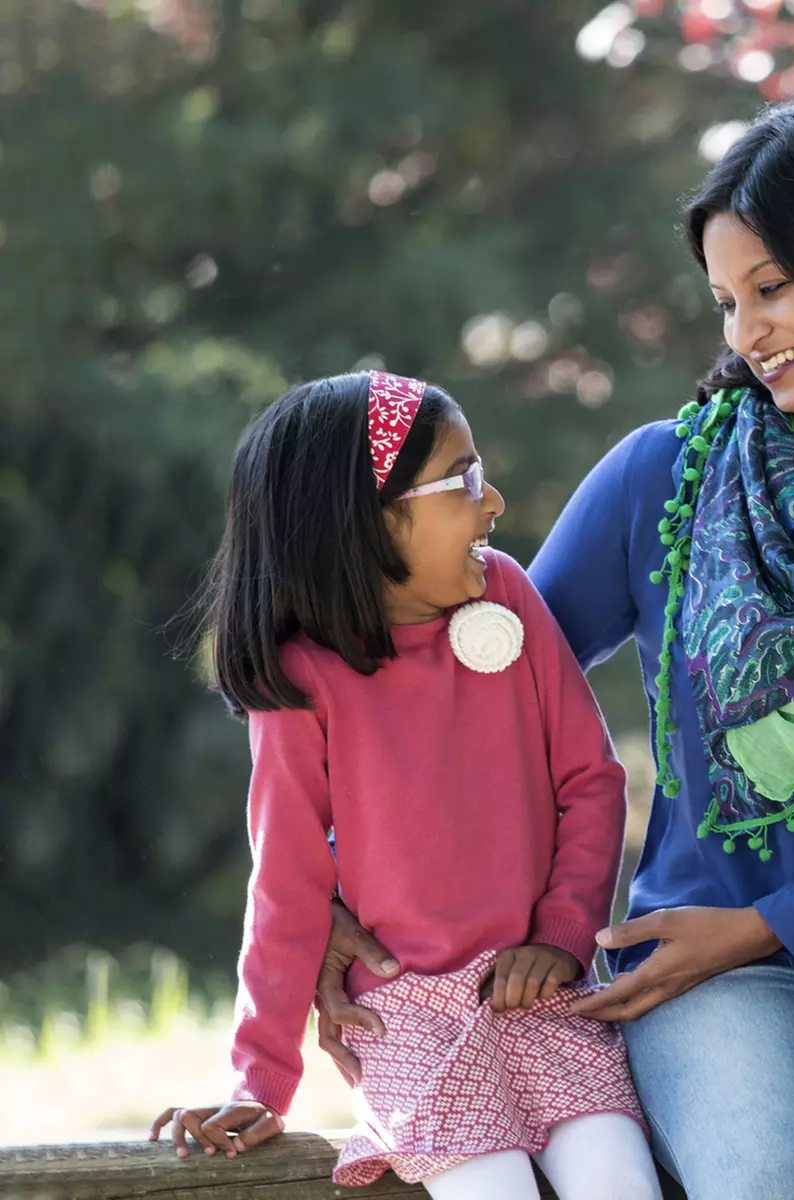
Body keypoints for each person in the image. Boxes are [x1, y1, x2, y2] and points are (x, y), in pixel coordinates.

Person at [311, 98, 794, 1199]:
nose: (745, 333)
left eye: (772, 288)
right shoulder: (659, 477)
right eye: (725, 301)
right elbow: (469, 703)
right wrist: (330, 882)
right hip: (698, 968)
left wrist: (774, 924)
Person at [150, 373, 659, 1200]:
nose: (492, 501)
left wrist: (563, 936)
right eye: (462, 479)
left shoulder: (508, 594)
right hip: (406, 1020)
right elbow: (287, 884)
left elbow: (591, 782)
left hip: (542, 996)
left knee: (621, 1184)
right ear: (370, 519)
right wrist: (260, 1081)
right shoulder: (298, 683)